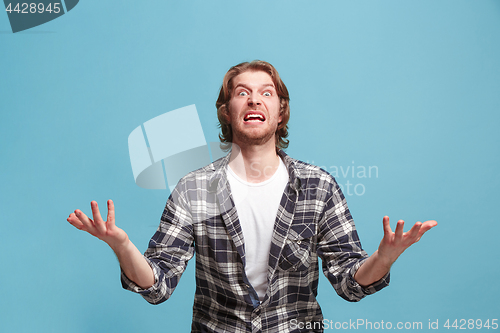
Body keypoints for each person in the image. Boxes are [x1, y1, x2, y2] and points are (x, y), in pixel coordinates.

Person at [67, 60, 437, 332]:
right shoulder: (193, 189)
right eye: (241, 93)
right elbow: (158, 285)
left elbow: (350, 283)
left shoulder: (318, 186)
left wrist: (384, 258)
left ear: (280, 112)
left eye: (266, 93)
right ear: (227, 113)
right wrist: (122, 246)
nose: (254, 100)